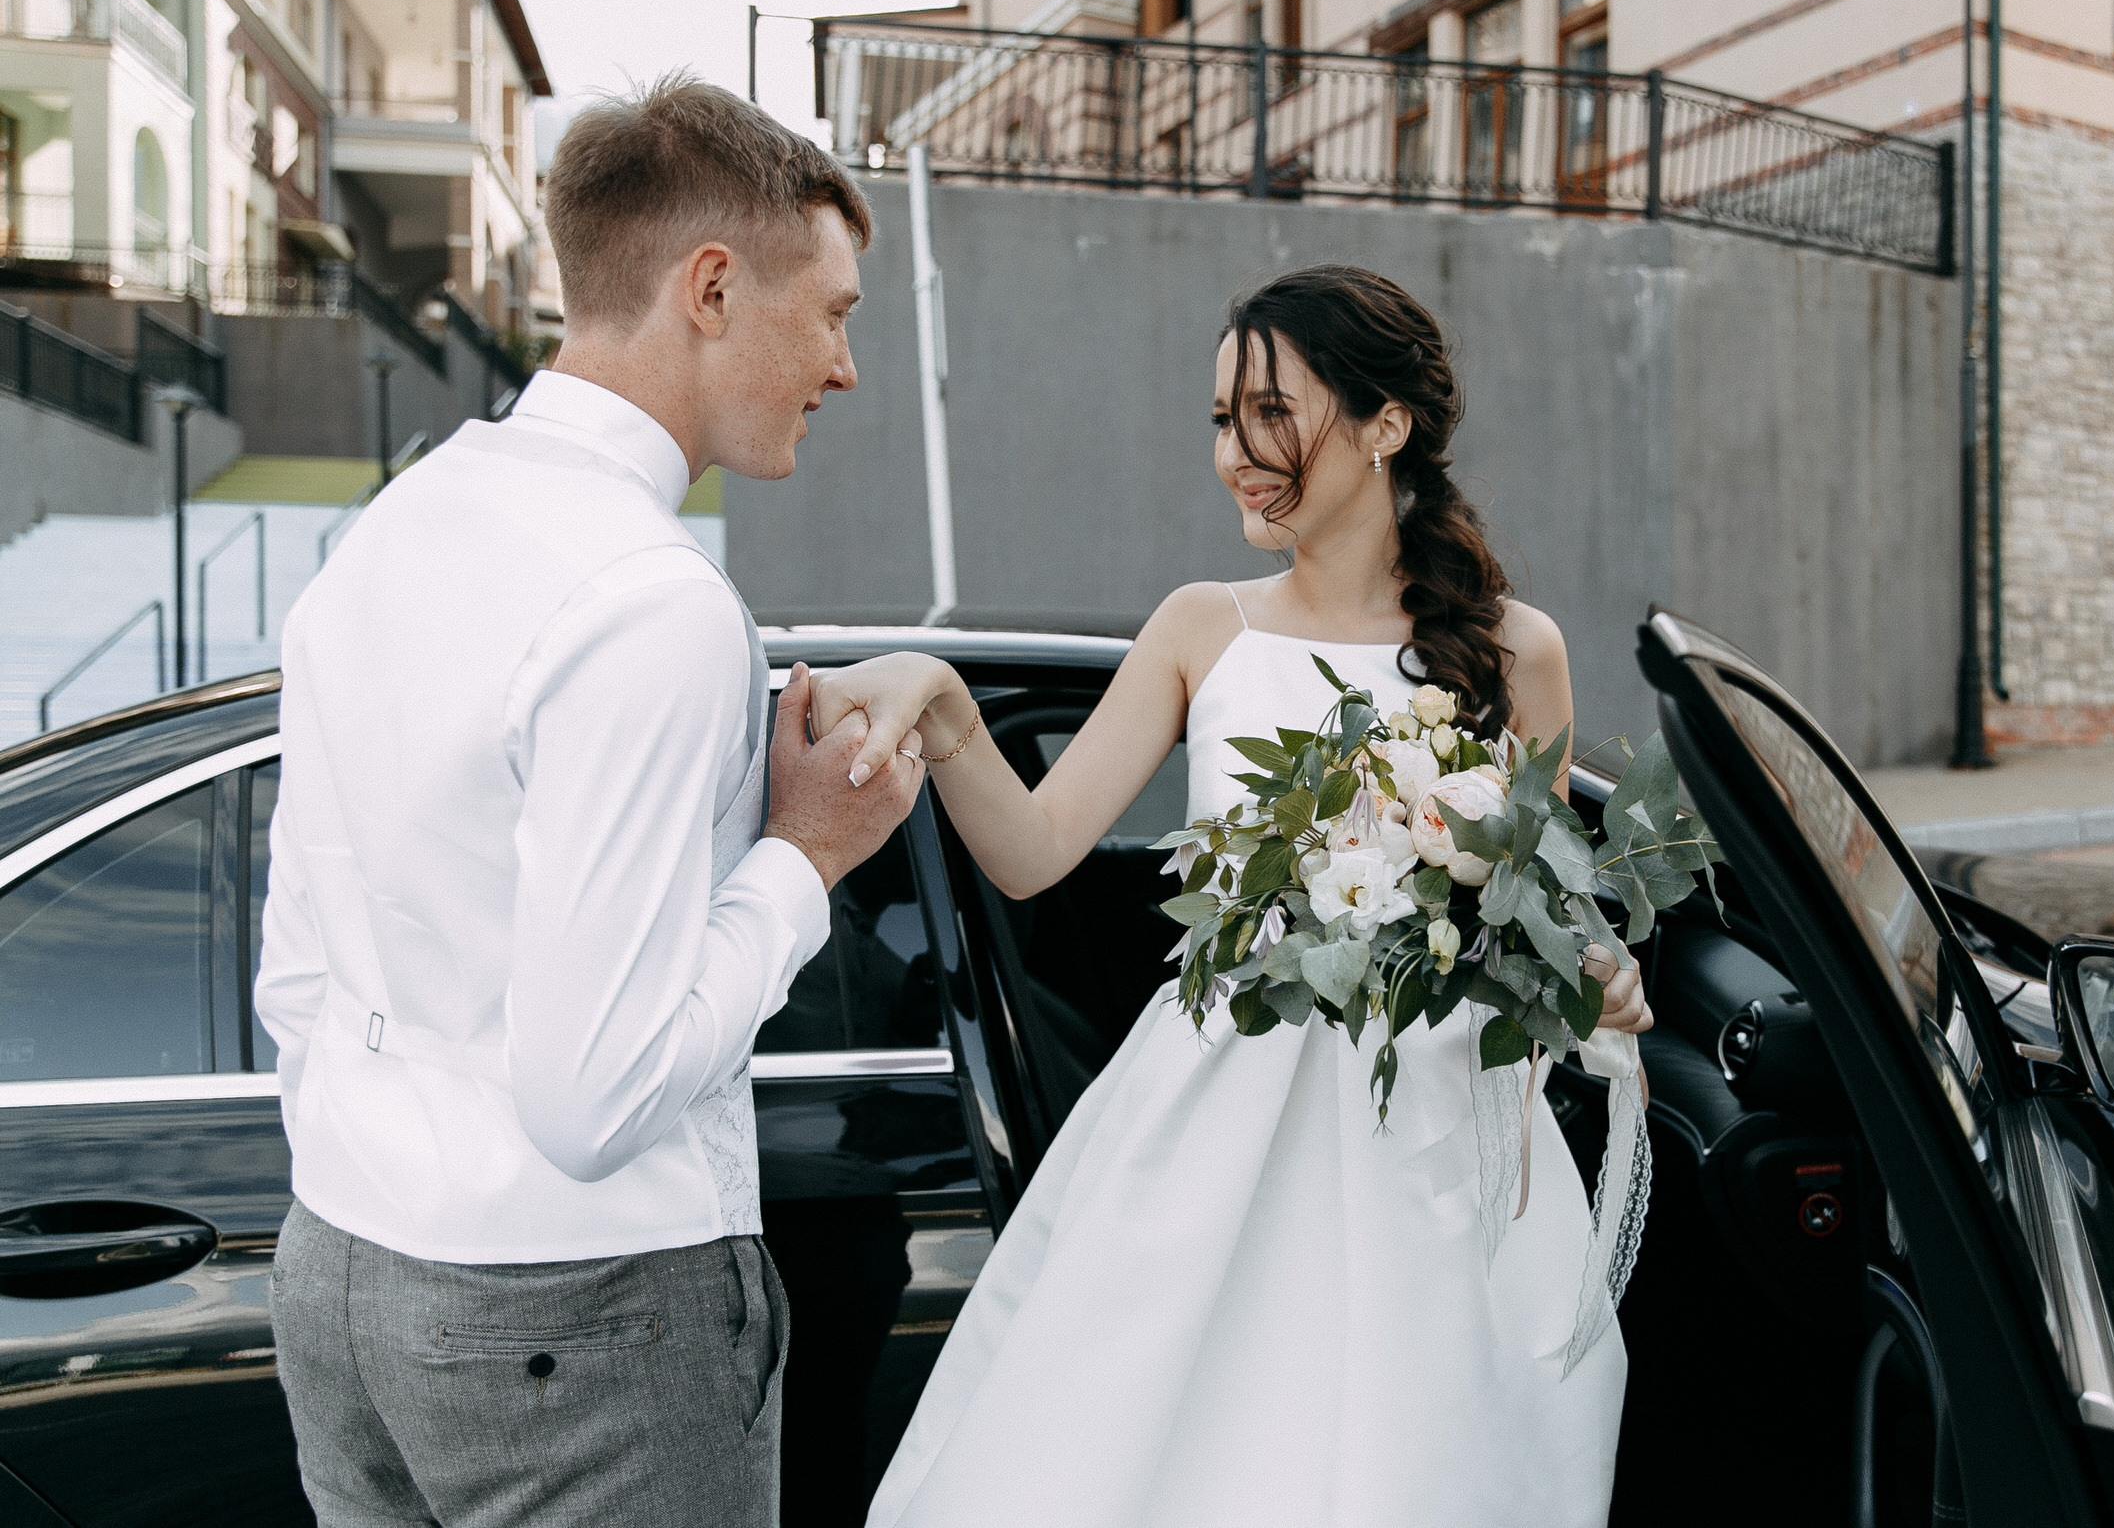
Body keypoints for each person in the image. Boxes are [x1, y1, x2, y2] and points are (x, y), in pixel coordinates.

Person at [815, 265, 1650, 1527]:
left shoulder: (1517, 650)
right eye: (1221, 419)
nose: (1236, 455)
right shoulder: (1202, 627)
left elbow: (1537, 906)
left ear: (1384, 425)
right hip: (1215, 1109)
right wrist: (942, 701)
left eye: (1270, 414)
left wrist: (1599, 968)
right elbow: (1035, 851)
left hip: (1438, 1132)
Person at [255, 76, 922, 1527]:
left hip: (340, 1270)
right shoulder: (651, 603)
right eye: (836, 311)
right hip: (581, 1318)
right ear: (711, 287)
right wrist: (805, 858)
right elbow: (591, 1098)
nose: (846, 365)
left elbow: (297, 971)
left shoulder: (395, 528)